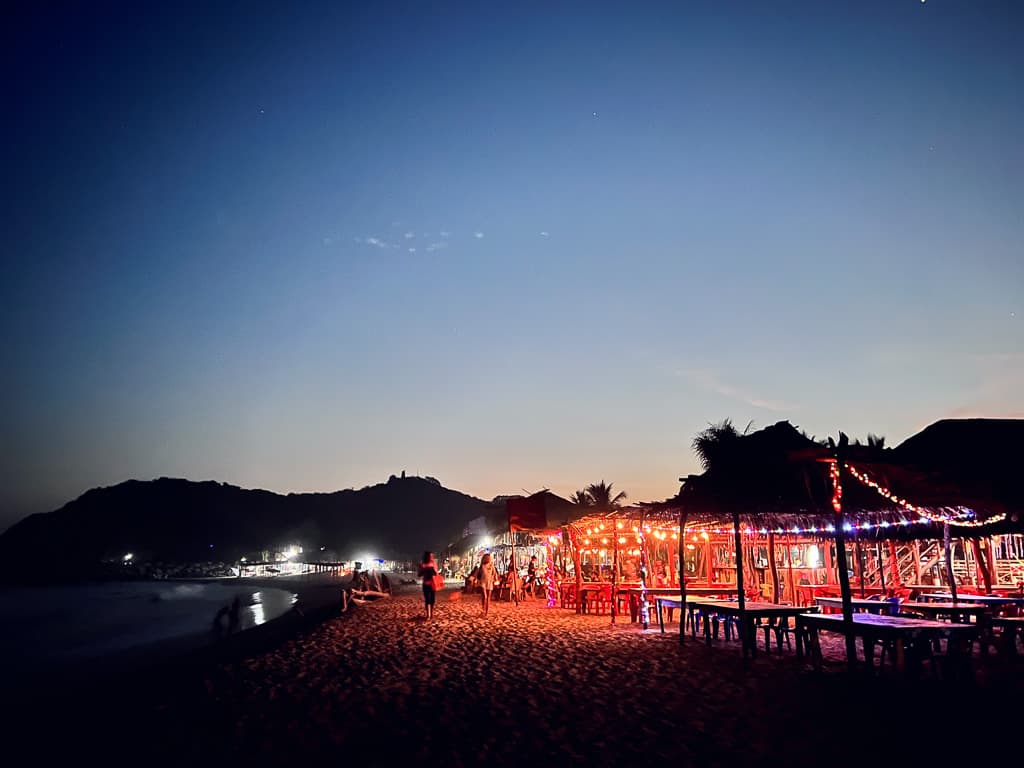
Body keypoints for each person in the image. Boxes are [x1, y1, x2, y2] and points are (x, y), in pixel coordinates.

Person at [418, 551, 440, 620]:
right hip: (426, 584)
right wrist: (424, 570)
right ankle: (428, 615)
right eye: (430, 556)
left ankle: (431, 613)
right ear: (427, 557)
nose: (432, 557)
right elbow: (419, 574)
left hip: (433, 584)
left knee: (432, 600)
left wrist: (433, 570)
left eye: (432, 556)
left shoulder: (434, 564)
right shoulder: (423, 564)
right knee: (427, 600)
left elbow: (436, 573)